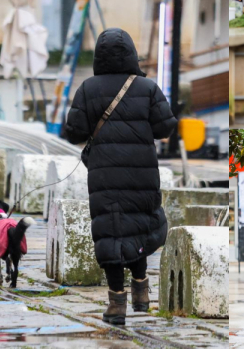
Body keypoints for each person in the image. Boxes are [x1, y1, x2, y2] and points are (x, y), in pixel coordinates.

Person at [65, 28, 177, 326]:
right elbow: (165, 128)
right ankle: (140, 286)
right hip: (142, 171)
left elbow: (73, 132)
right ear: (131, 53)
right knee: (137, 225)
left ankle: (117, 303)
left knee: (111, 231)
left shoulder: (87, 88)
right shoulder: (147, 87)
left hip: (105, 174)